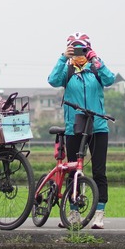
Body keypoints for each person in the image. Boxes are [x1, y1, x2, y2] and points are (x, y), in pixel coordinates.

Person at [48, 33, 117, 231]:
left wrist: (96, 59)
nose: (79, 53)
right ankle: (74, 211)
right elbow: (52, 80)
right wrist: (63, 57)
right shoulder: (67, 72)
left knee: (99, 171)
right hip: (74, 127)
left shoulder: (95, 70)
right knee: (74, 171)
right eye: (75, 49)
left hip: (98, 127)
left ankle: (99, 213)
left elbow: (110, 79)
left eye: (83, 49)